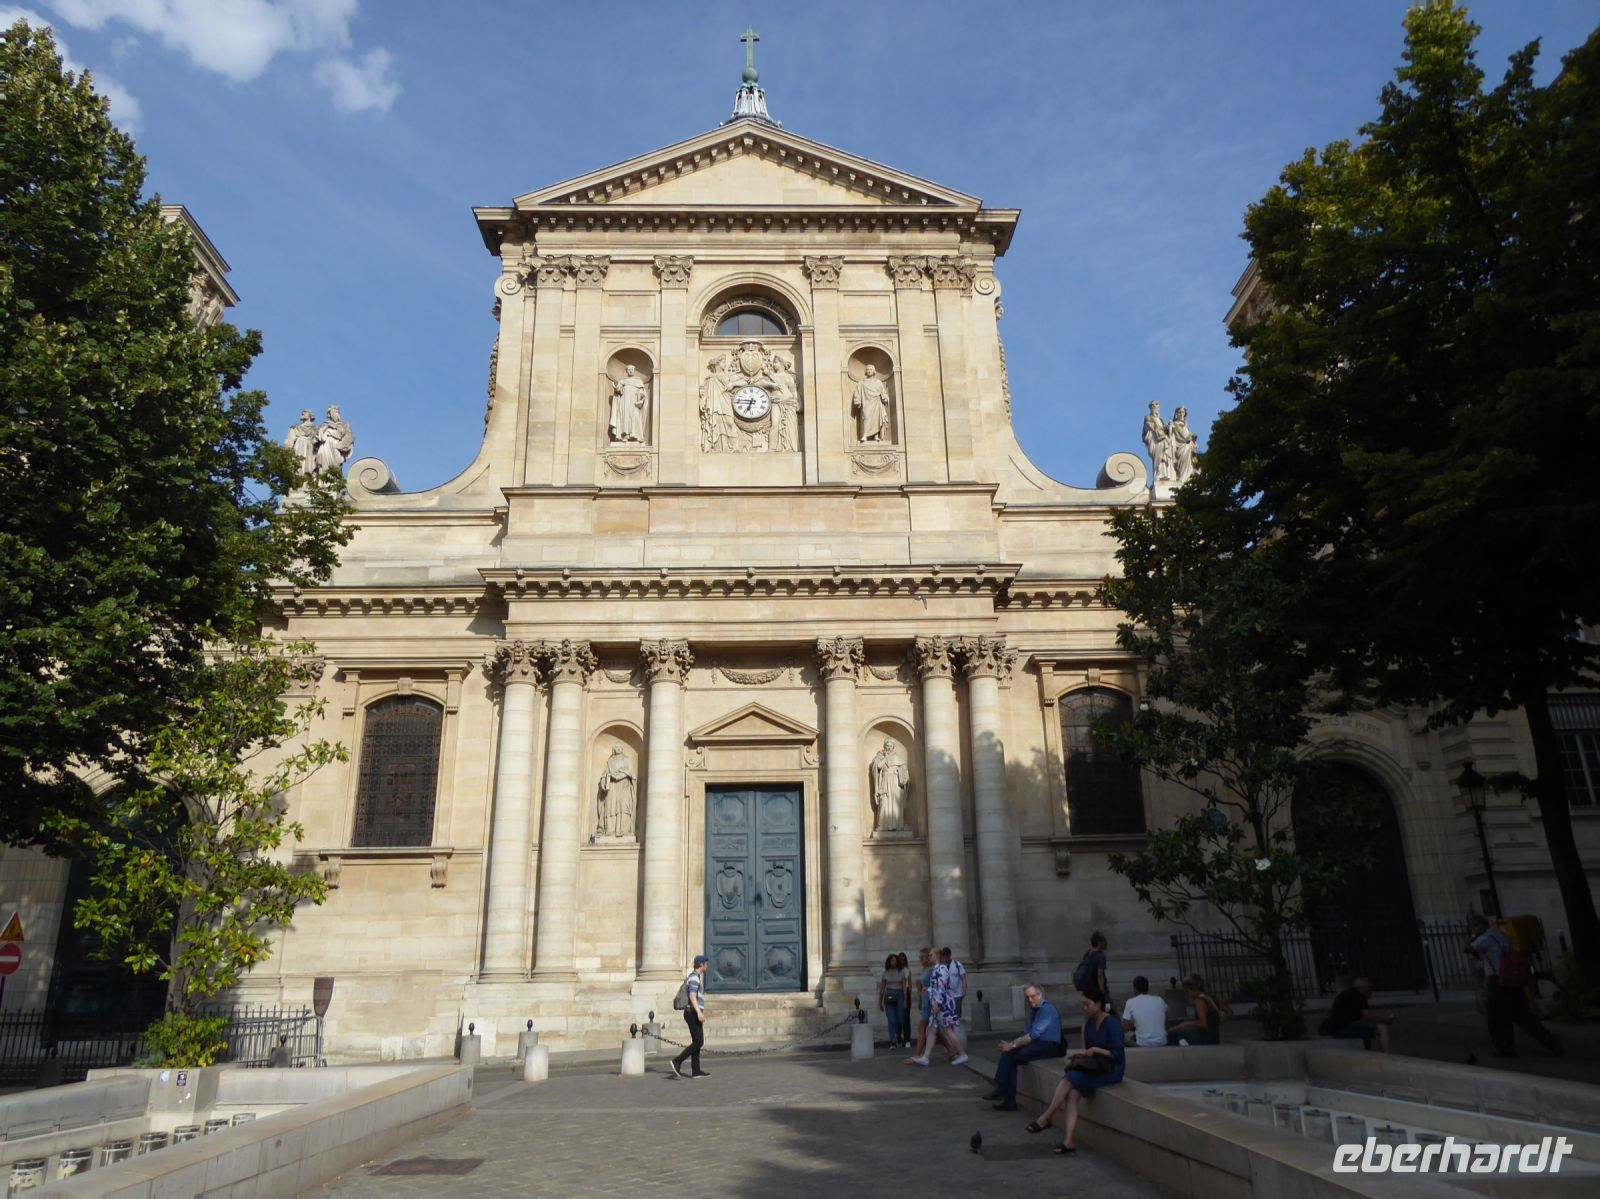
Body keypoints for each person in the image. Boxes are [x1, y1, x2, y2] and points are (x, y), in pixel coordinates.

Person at [1028, 989, 1125, 1155]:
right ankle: (1069, 1141)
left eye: (1088, 1004)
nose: (1085, 1008)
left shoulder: (1112, 1023)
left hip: (1111, 1068)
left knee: (1069, 1079)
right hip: (1095, 1066)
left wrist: (1096, 1049)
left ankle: (1047, 1117)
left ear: (1099, 1004)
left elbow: (1116, 1054)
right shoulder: (1088, 1024)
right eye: (1083, 1004)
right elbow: (1088, 1051)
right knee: (1072, 1095)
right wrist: (1088, 1052)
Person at [1468, 915, 1562, 1058]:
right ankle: (1551, 1041)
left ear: (1480, 926)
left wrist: (1473, 936)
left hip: (1497, 980)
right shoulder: (1502, 935)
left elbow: (1467, 948)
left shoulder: (1485, 939)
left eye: (1474, 927)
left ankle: (1505, 1048)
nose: (1473, 929)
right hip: (1513, 978)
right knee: (1523, 1016)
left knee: (1497, 1017)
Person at [985, 984, 1063, 1110]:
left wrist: (1011, 1045)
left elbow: (1032, 1035)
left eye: (1032, 996)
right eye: (1027, 997)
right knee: (1008, 1053)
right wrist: (1011, 1044)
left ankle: (1002, 1090)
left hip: (1049, 1046)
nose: (1030, 1000)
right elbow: (1026, 1034)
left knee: (1012, 1055)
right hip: (1038, 1044)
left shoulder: (1046, 1009)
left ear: (1040, 995)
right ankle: (1005, 1096)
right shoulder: (1034, 1010)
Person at [912, 947, 966, 1066]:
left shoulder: (941, 969)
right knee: (932, 1030)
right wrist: (929, 989)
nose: (929, 957)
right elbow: (938, 986)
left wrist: (936, 1003)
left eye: (931, 955)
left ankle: (962, 1054)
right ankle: (925, 1057)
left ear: (936, 956)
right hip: (940, 1004)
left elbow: (941, 988)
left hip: (943, 1005)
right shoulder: (938, 969)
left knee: (947, 1030)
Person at [1318, 976, 1394, 1052]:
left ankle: (1369, 1052)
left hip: (1336, 1029)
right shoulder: (1358, 996)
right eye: (1371, 988)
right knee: (1382, 1027)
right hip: (1341, 1030)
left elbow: (1366, 1016)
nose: (1372, 991)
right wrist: (1385, 1020)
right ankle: (1386, 1054)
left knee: (1366, 1029)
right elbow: (1370, 1015)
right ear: (1364, 988)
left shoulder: (1349, 994)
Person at [669, 955, 712, 1078]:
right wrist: (699, 1012)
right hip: (692, 1012)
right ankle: (677, 1061)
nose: (707, 966)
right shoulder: (694, 978)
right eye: (706, 964)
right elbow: (692, 996)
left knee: (697, 1041)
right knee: (699, 1041)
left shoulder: (694, 977)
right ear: (701, 964)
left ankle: (696, 1070)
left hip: (692, 1012)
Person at [1170, 974, 1226, 1045]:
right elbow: (1230, 1012)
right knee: (1179, 1030)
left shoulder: (1199, 1001)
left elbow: (1203, 1024)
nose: (1187, 994)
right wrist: (1215, 1022)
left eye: (1186, 991)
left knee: (1176, 1033)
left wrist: (1185, 1024)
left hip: (1206, 1039)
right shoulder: (1212, 997)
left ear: (1189, 989)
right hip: (1215, 1038)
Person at [906, 947, 936, 1064]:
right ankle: (952, 1051)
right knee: (935, 1030)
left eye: (922, 957)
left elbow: (937, 985)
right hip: (925, 1001)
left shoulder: (932, 969)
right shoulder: (925, 969)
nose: (920, 959)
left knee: (923, 1027)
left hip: (929, 1001)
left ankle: (917, 1055)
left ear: (928, 957)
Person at [1120, 975, 1168, 1047]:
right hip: (1161, 1041)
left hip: (1143, 1043)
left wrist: (1133, 1026)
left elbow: (1125, 1027)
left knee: (1123, 1037)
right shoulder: (1159, 1000)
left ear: (1135, 989)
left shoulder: (1130, 1002)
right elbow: (1165, 1022)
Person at [851, 364, 892, 441]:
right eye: (867, 370)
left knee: (876, 419)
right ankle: (865, 435)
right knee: (866, 417)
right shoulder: (861, 383)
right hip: (866, 403)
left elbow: (883, 392)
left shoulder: (878, 382)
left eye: (871, 370)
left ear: (874, 371)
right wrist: (857, 400)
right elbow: (858, 392)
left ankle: (876, 436)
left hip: (876, 403)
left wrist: (885, 398)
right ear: (865, 372)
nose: (869, 371)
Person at [609, 364, 648, 443]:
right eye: (629, 369)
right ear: (626, 371)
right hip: (625, 401)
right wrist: (616, 384)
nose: (630, 371)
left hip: (634, 402)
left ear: (634, 370)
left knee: (635, 416)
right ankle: (624, 436)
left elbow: (643, 392)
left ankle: (635, 435)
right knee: (625, 417)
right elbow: (619, 390)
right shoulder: (623, 381)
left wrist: (642, 397)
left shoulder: (638, 381)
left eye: (632, 369)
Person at [878, 953, 908, 1048]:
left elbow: (904, 987)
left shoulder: (901, 972)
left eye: (895, 960)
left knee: (899, 1019)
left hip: (899, 995)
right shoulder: (885, 973)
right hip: (889, 996)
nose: (893, 962)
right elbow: (882, 989)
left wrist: (905, 1000)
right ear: (889, 962)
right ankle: (893, 1041)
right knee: (891, 1019)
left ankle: (899, 1035)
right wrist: (880, 1002)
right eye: (892, 960)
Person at [1074, 931, 1108, 1002]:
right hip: (1096, 989)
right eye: (1103, 941)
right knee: (1108, 1008)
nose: (1106, 943)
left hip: (1088, 989)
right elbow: (1100, 975)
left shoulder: (1088, 953)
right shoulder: (1101, 956)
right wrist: (1102, 993)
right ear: (1099, 943)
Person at [942, 946, 968, 1021]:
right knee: (948, 1015)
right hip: (947, 995)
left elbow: (963, 978)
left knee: (957, 1014)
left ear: (949, 955)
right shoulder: (942, 966)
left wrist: (964, 991)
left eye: (947, 956)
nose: (945, 958)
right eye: (944, 956)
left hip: (957, 993)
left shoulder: (957, 964)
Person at [895, 952, 914, 1046]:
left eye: (903, 959)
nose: (902, 961)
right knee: (898, 1017)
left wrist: (909, 990)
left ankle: (907, 1039)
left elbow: (910, 983)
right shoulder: (895, 971)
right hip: (898, 993)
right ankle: (898, 1037)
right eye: (900, 959)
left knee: (906, 1017)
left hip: (906, 993)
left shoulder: (907, 970)